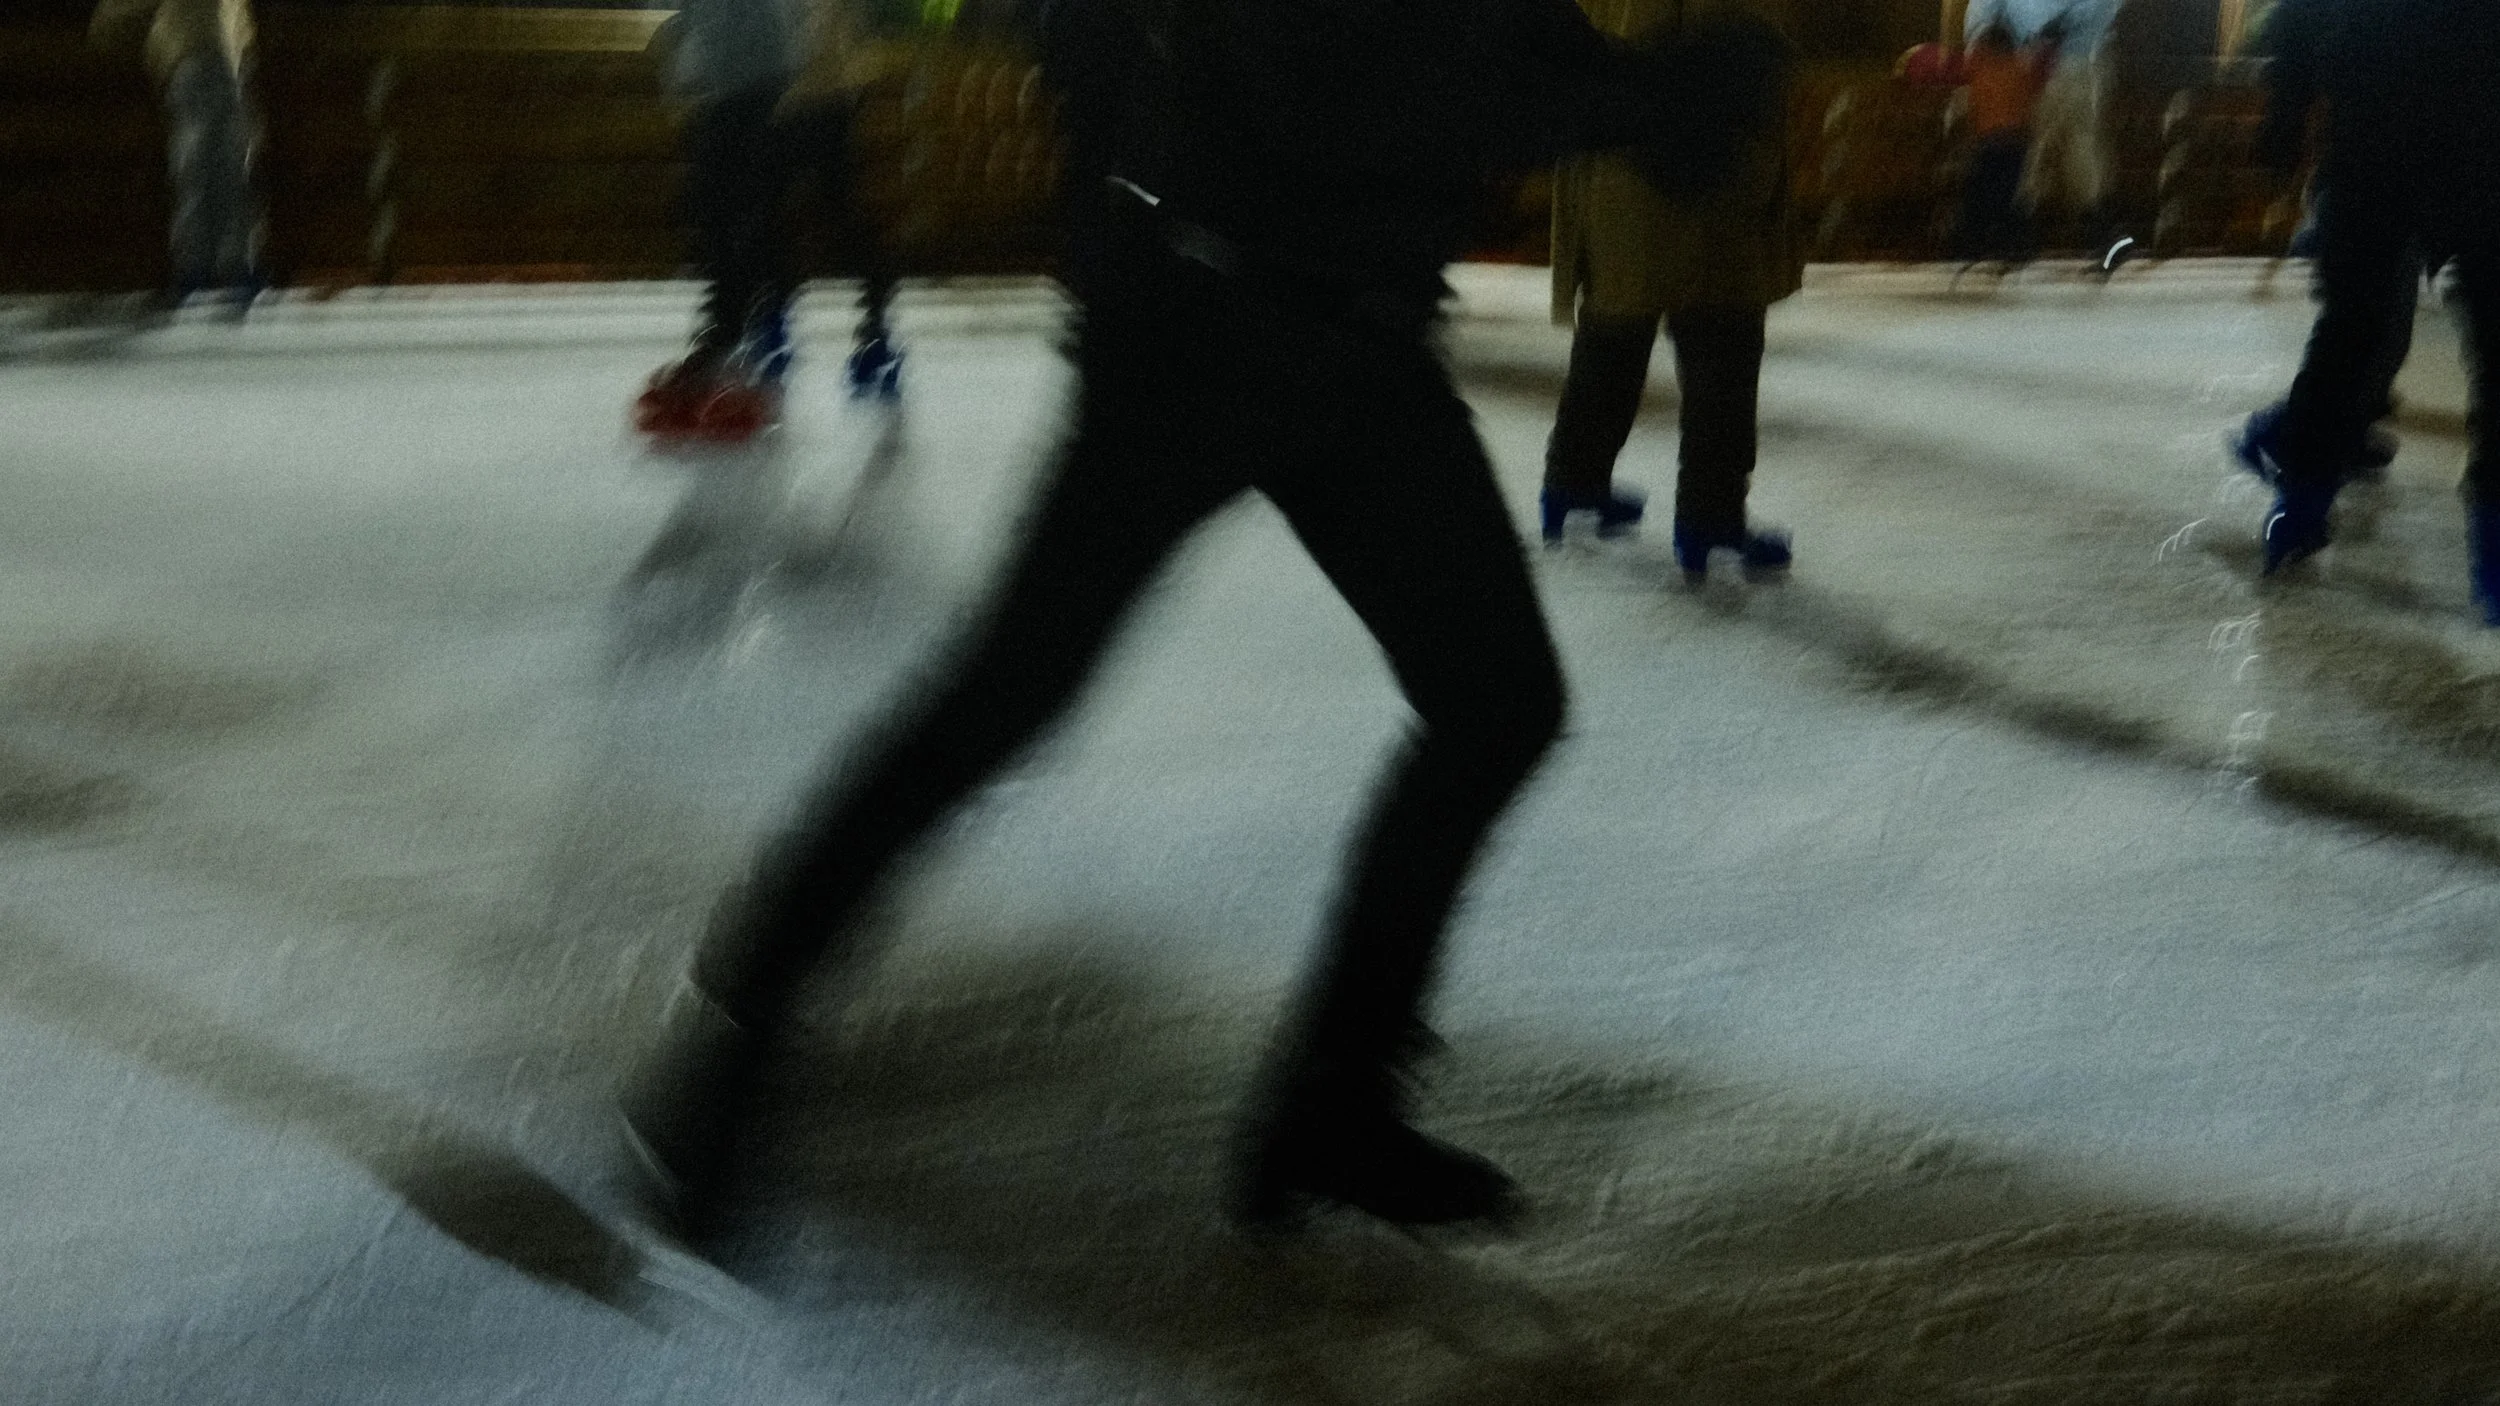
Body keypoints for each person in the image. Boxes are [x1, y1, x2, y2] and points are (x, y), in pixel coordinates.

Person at [621, 0, 1780, 1242]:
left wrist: (1675, 101)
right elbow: (1363, 92)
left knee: (1497, 703)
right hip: (1191, 329)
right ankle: (739, 1024)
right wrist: (1646, 102)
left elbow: (1524, 68)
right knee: (1014, 685)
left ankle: (1334, 1103)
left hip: (1362, 345)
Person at [2249, 0, 2497, 626]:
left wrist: (2286, 115)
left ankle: (2302, 486)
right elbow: (2298, 21)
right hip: (2394, 138)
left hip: (2426, 137)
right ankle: (2302, 493)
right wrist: (2285, 116)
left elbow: (2296, 23)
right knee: (2361, 328)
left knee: (2362, 328)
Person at [1542, 0, 1800, 580]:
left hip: (1610, 170)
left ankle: (1571, 488)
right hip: (1700, 174)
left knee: (1612, 336)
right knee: (1723, 348)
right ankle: (1711, 520)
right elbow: (1737, 51)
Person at [636, 0, 905, 440]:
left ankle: (870, 326)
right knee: (733, 212)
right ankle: (745, 326)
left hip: (808, 93)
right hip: (748, 87)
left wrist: (800, 80)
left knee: (810, 212)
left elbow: (833, 27)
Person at [2233, 0, 2419, 487]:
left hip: (2405, 155)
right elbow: (2297, 30)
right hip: (2367, 162)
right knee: (2363, 313)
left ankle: (2334, 427)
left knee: (2377, 314)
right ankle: (2297, 438)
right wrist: (2284, 128)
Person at [88, 0, 263, 315]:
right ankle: (215, 267)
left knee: (212, 162)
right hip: (202, 52)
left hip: (207, 53)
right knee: (213, 163)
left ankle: (214, 267)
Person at [1950, 18, 2044, 266]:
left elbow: (1974, 104)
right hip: (2014, 142)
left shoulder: (1981, 67)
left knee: (1981, 194)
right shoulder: (2019, 68)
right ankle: (2013, 244)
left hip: (1990, 142)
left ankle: (1974, 243)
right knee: (2009, 196)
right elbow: (2028, 102)